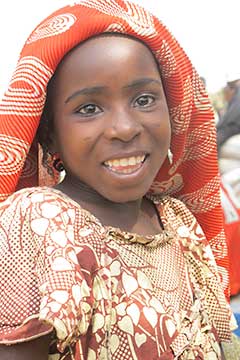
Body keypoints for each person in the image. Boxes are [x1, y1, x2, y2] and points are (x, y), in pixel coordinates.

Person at [0, 1, 236, 358]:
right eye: (89, 108)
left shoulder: (178, 221)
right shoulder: (40, 222)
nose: (125, 128)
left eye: (144, 99)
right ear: (49, 135)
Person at [217, 76, 240, 153]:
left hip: (234, 125)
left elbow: (231, 117)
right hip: (231, 125)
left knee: (214, 140)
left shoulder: (237, 95)